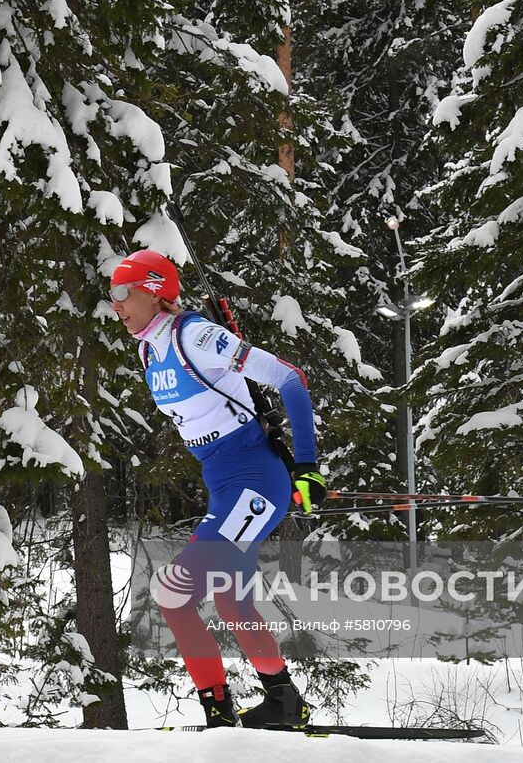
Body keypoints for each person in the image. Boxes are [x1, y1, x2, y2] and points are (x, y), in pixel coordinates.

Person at [109, 248, 328, 729]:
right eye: (111, 295)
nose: (116, 304)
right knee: (231, 599)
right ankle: (283, 703)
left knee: (173, 595)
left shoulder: (195, 334)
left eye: (124, 293)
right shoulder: (149, 347)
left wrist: (308, 466)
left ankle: (219, 716)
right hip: (225, 484)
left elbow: (290, 378)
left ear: (154, 290)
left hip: (254, 481)